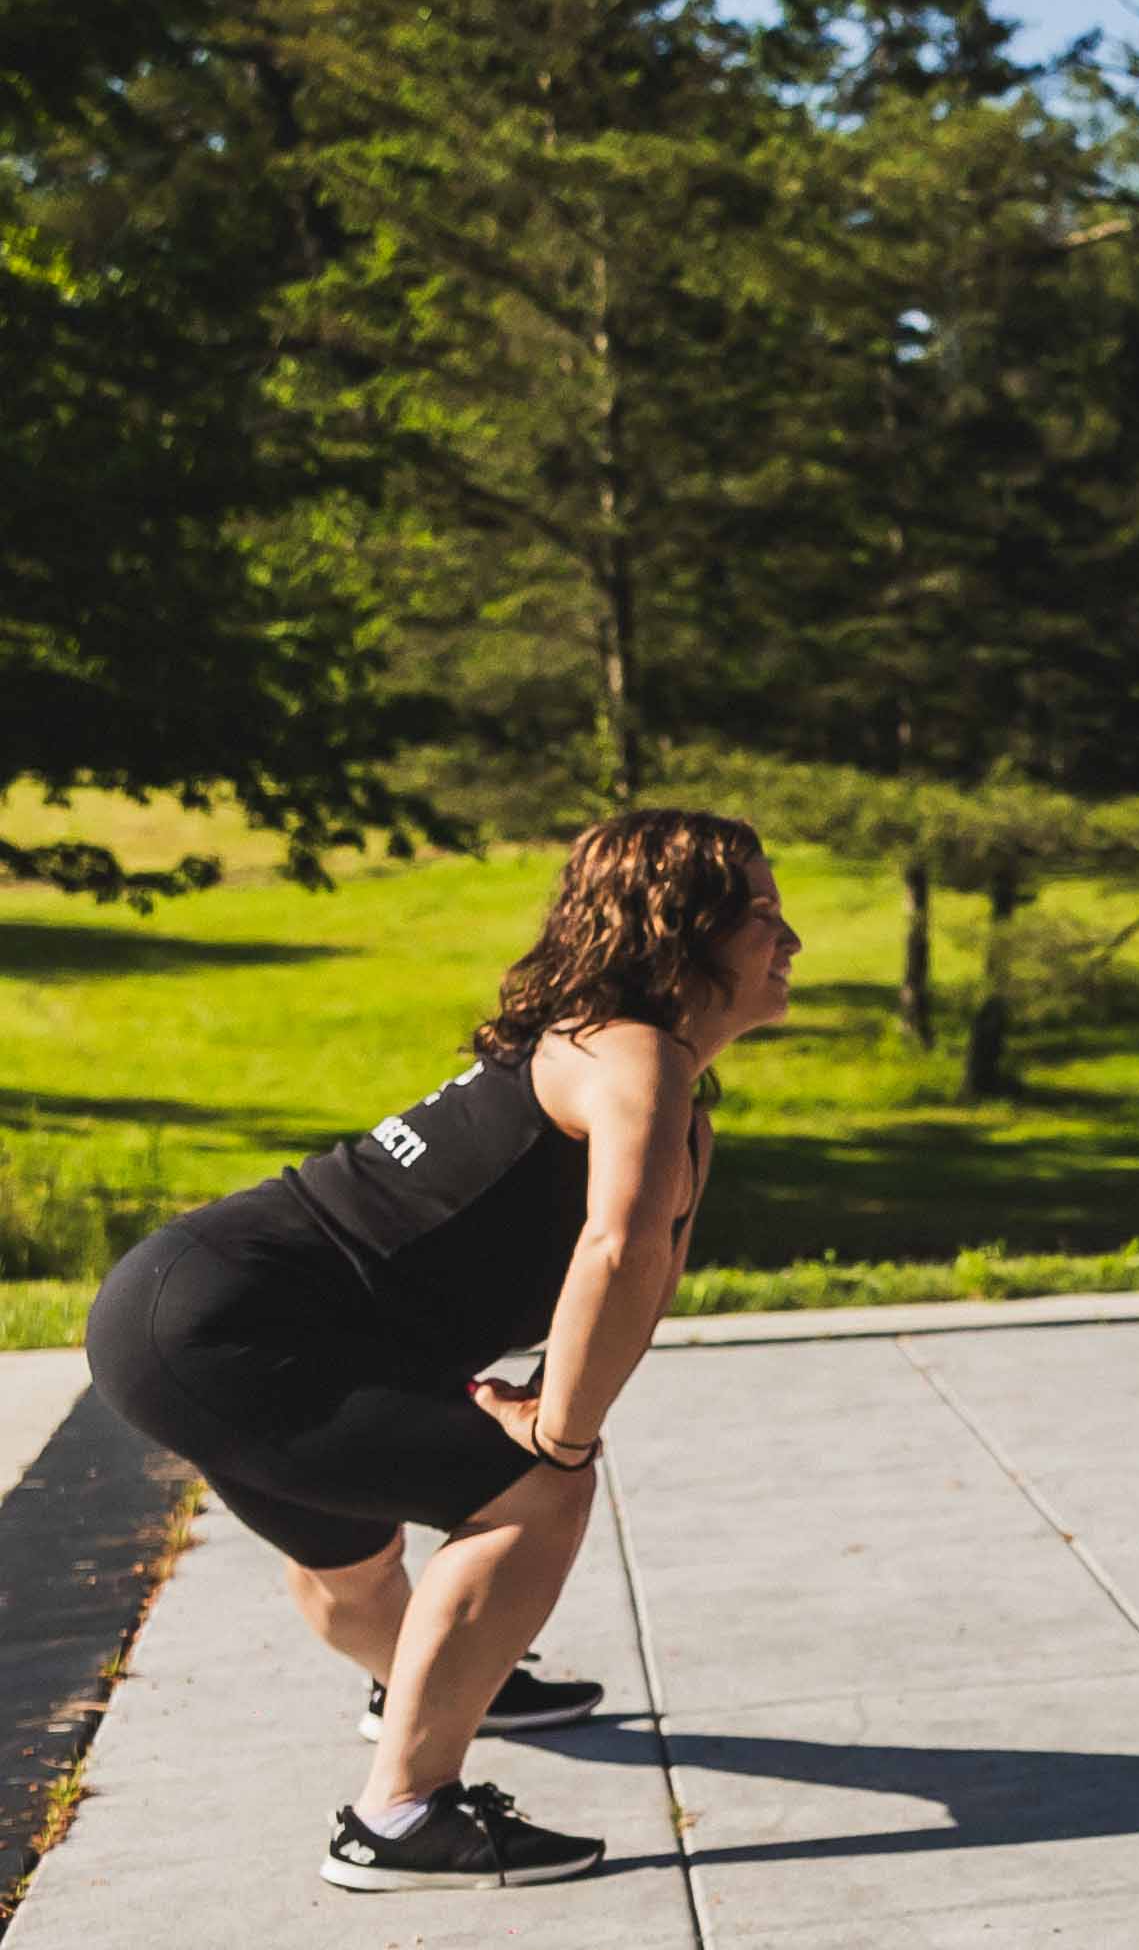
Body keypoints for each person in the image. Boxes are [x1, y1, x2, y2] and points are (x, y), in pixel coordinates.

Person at [82, 806, 799, 1892]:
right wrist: (559, 1433)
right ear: (678, 930)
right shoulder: (634, 1054)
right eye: (761, 915)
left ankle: (439, 1675)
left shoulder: (635, 1065)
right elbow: (611, 1243)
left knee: (357, 1565)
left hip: (181, 1308)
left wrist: (558, 1392)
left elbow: (641, 1272)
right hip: (233, 1325)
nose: (790, 942)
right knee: (539, 1491)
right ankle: (400, 1816)